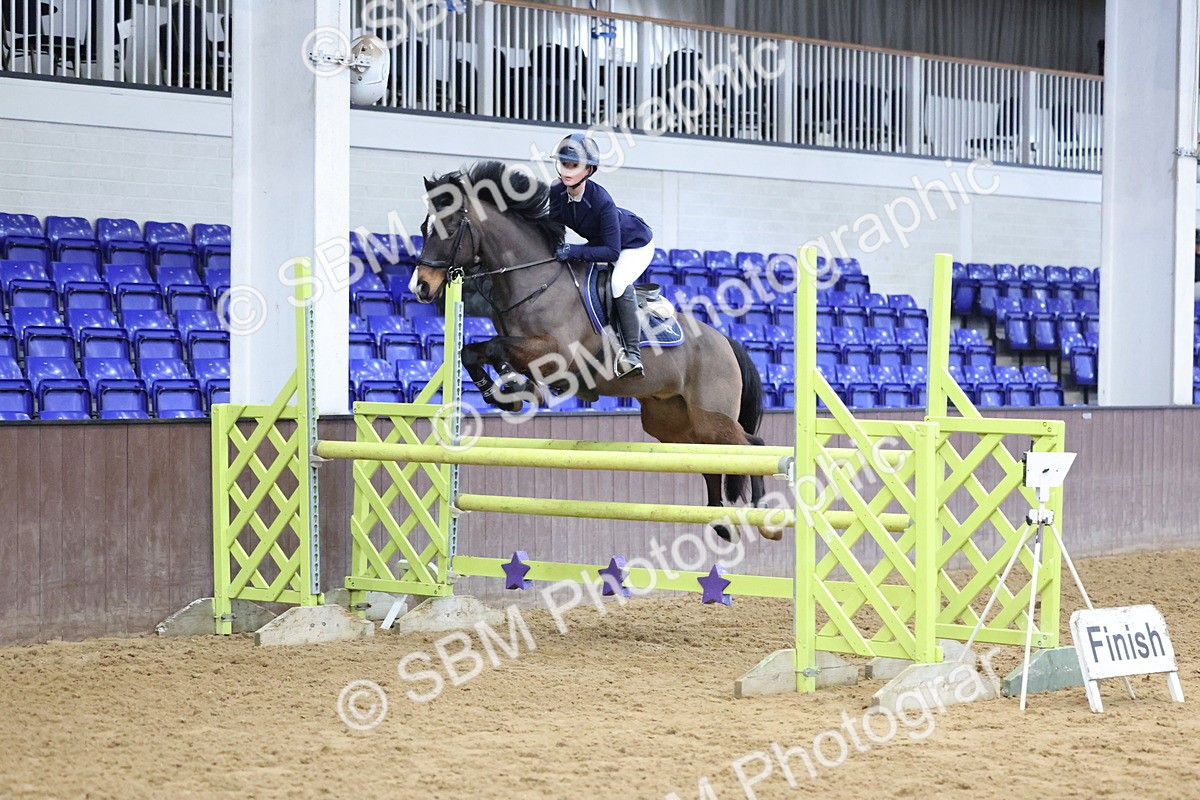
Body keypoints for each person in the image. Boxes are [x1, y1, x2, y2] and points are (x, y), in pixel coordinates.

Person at [548, 133, 655, 378]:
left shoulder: (602, 202)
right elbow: (553, 227)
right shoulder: (556, 191)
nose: (566, 170)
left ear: (588, 170)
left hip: (634, 244)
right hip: (602, 242)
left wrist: (573, 251)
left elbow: (611, 251)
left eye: (573, 165)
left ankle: (632, 353)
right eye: (563, 163)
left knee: (618, 283)